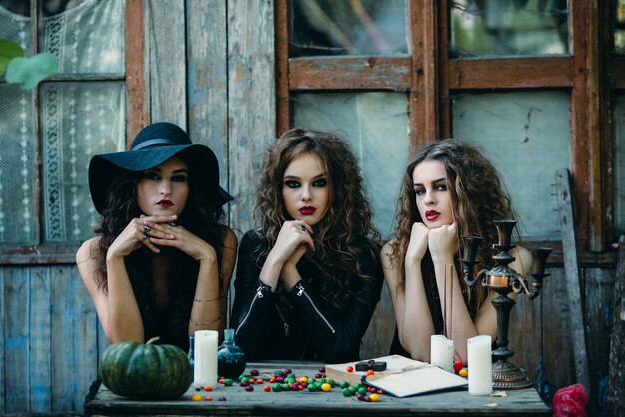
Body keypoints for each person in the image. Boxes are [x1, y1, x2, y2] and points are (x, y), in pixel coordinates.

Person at [76, 122, 237, 352]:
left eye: (179, 178)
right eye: (153, 175)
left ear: (192, 188)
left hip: (199, 380)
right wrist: (115, 257)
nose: (166, 189)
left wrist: (207, 257)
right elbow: (128, 348)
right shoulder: (93, 253)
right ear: (132, 185)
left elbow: (207, 344)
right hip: (132, 383)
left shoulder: (220, 241)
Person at [230, 128, 383, 363]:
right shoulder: (255, 245)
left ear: (338, 188)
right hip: (265, 391)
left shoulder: (364, 255)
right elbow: (240, 349)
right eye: (293, 184)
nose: (306, 195)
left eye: (319, 183)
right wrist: (275, 261)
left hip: (336, 392)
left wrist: (290, 273)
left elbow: (340, 349)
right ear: (278, 190)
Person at [382, 139, 532, 363]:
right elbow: (420, 352)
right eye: (420, 191)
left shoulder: (514, 259)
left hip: (475, 390)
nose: (428, 200)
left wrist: (443, 258)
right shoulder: (394, 251)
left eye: (441, 187)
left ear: (469, 192)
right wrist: (413, 260)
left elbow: (466, 354)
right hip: (409, 390)